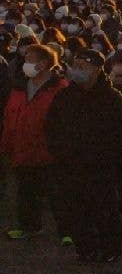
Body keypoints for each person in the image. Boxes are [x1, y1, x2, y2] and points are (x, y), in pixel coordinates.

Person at [46, 48, 122, 262]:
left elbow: (119, 131)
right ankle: (85, 248)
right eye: (75, 66)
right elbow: (51, 126)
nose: (77, 70)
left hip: (100, 165)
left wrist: (107, 157)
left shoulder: (111, 97)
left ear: (96, 69)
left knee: (104, 208)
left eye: (83, 67)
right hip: (69, 164)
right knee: (76, 209)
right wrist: (59, 152)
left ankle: (110, 249)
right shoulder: (65, 96)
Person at [1, 43, 71, 242]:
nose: (26, 64)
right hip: (23, 148)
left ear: (44, 63)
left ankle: (68, 231)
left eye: (30, 60)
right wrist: (7, 144)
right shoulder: (19, 87)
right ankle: (29, 226)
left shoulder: (60, 89)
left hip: (50, 150)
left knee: (58, 194)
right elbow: (10, 116)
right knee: (26, 192)